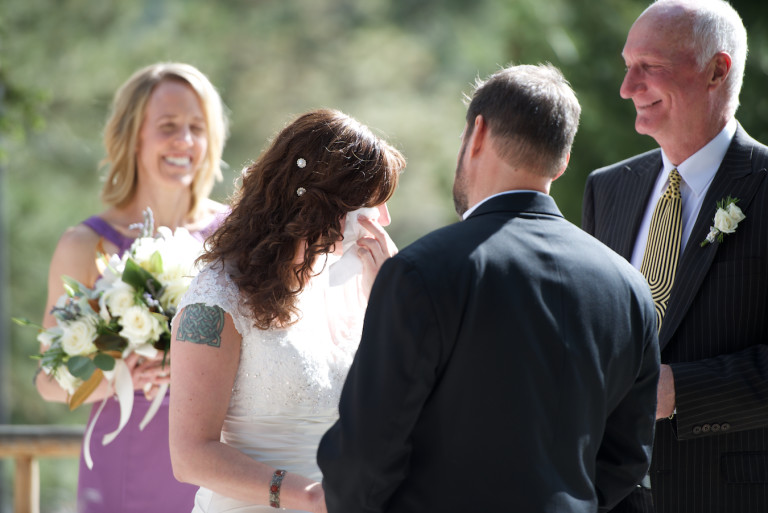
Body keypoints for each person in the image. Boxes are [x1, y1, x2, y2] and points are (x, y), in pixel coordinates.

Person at [317, 64, 660, 513]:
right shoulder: (630, 290)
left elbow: (363, 455)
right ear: (563, 161)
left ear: (477, 134)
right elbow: (626, 458)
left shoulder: (422, 272)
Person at [168, 108, 406, 512]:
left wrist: (392, 304)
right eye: (372, 202)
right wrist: (307, 496)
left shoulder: (357, 282)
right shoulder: (217, 295)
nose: (384, 218)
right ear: (321, 202)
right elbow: (190, 455)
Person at [582, 1, 768, 511]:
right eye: (627, 67)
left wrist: (680, 390)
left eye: (650, 68)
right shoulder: (608, 189)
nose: (627, 88)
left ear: (717, 69)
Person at [36, 62, 230, 512]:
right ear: (133, 135)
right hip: (122, 466)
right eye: (168, 126)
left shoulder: (236, 236)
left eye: (196, 127)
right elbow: (48, 381)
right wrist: (121, 374)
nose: (185, 141)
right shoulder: (85, 245)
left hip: (218, 462)